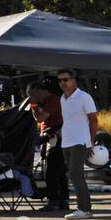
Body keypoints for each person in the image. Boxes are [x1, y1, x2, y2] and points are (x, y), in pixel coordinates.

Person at [57, 69, 98, 220]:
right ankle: (84, 208)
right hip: (66, 142)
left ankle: (84, 209)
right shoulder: (63, 98)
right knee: (74, 175)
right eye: (60, 80)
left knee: (75, 173)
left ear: (74, 80)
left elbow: (94, 120)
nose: (62, 83)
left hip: (80, 141)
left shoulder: (84, 97)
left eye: (65, 79)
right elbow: (68, 120)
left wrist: (91, 142)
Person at [27, 82, 68, 211]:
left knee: (52, 170)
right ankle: (62, 201)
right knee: (60, 170)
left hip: (55, 136)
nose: (34, 99)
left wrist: (33, 105)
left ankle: (54, 200)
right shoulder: (48, 101)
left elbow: (39, 119)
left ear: (38, 91)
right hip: (53, 136)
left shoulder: (52, 100)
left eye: (32, 95)